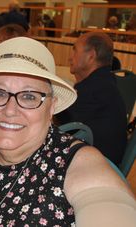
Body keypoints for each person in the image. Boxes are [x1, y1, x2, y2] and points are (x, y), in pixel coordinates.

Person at [0, 37, 136, 226]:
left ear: (51, 106)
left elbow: (109, 204)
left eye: (29, 96)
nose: (10, 110)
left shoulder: (74, 164)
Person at [56, 32, 127, 165]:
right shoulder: (104, 83)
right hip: (102, 161)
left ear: (91, 56)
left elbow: (60, 126)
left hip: (97, 168)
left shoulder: (94, 91)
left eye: (75, 50)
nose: (70, 58)